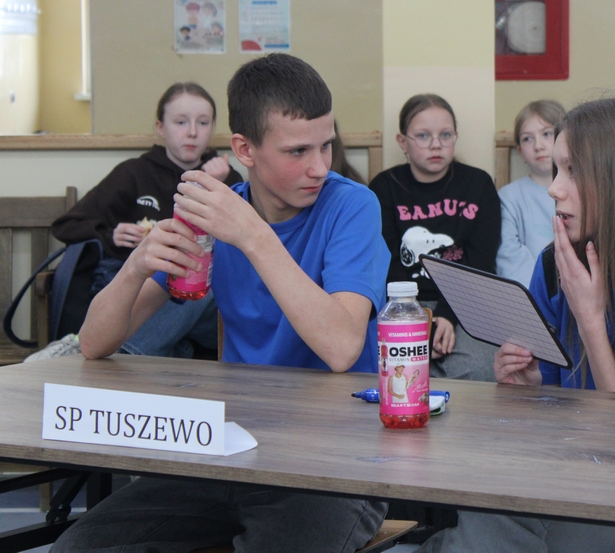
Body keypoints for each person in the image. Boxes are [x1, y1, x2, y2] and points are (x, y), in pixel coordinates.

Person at [51, 54, 390, 553]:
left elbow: (341, 347)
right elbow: (94, 344)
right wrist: (137, 264)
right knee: (78, 548)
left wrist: (253, 235)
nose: (319, 166)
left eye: (326, 145)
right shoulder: (214, 217)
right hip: (233, 447)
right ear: (244, 149)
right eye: (297, 151)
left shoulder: (351, 205)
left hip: (336, 459)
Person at [416, 94, 615, 553]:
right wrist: (527, 387)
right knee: (482, 502)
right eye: (556, 170)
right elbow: (548, 425)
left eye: (573, 172)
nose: (554, 189)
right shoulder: (556, 264)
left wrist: (590, 321)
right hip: (572, 480)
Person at [36, 82, 242, 361]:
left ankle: (92, 349)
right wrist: (111, 234)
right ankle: (170, 349)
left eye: (203, 123)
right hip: (133, 292)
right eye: (181, 122)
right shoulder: (133, 173)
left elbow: (236, 247)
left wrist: (210, 185)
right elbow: (67, 224)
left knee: (196, 279)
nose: (192, 132)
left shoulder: (227, 178)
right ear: (160, 127)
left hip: (196, 296)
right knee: (160, 296)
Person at [369, 93, 501, 381]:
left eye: (445, 134)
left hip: (464, 302)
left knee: (482, 369)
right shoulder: (384, 187)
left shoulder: (478, 184)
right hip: (402, 304)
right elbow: (386, 264)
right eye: (423, 136)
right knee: (388, 369)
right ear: (402, 142)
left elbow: (481, 263)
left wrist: (447, 316)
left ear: (456, 136)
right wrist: (420, 321)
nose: (436, 144)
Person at [496, 100, 566, 286]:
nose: (538, 146)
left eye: (547, 134)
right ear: (520, 151)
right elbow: (508, 256)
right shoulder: (509, 197)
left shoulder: (583, 191)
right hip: (530, 292)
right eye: (528, 138)